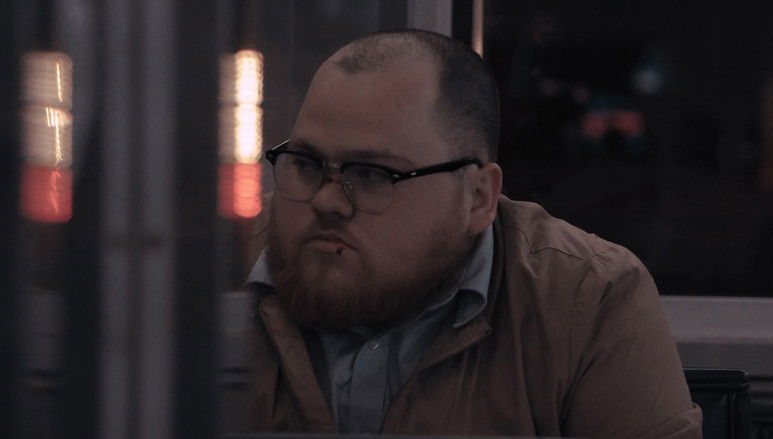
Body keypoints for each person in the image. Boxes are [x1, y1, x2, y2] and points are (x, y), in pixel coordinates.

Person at [243, 29, 702, 437]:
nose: (326, 201)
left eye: (372, 174)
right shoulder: (220, 267)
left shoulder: (586, 298)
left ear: (478, 198)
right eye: (306, 164)